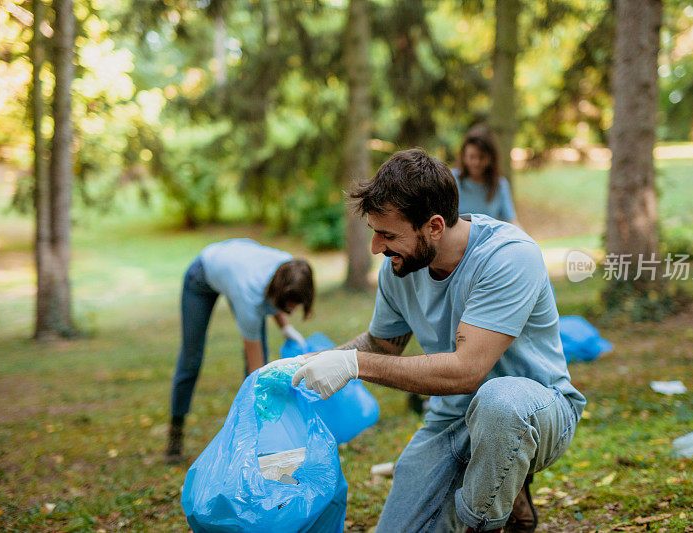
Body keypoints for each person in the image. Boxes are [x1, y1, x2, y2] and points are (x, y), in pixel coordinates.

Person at [266, 149, 584, 532]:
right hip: (452, 420)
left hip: (536, 412)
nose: (376, 248)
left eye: (388, 235)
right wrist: (305, 364)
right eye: (374, 232)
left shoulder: (509, 257)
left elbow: (467, 372)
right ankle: (497, 478)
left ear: (434, 226)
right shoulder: (399, 269)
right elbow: (383, 345)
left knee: (500, 403)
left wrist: (354, 366)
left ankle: (488, 518)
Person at [166, 238, 314, 463]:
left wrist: (286, 327)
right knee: (192, 358)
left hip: (237, 266)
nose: (293, 310)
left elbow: (277, 296)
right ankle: (176, 432)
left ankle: (258, 439)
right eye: (290, 306)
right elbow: (256, 367)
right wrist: (265, 397)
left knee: (259, 371)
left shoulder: (290, 268)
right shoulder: (249, 295)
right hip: (203, 274)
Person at [453, 124, 520, 226]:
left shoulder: (499, 185)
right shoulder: (451, 180)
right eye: (472, 157)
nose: (476, 162)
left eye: (481, 157)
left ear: (490, 158)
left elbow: (511, 221)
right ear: (464, 156)